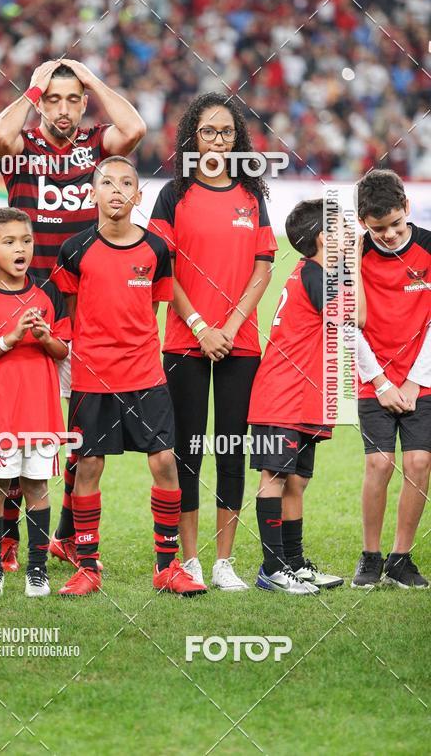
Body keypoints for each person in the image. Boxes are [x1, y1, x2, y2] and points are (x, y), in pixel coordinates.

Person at [0, 58, 146, 571]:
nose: (62, 108)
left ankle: (68, 536)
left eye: (70, 99)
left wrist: (93, 80)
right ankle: (9, 537)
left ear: (83, 104)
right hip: (29, 306)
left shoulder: (97, 146)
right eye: (52, 99)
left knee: (81, 431)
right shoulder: (25, 149)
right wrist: (33, 89)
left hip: (85, 312)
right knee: (24, 427)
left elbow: (136, 128)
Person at [50, 156, 206, 596]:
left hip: (145, 376)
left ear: (138, 196)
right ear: (92, 192)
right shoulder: (74, 250)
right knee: (88, 466)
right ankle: (88, 566)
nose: (116, 190)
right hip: (92, 378)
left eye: (126, 183)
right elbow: (74, 315)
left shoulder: (156, 249)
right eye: (106, 182)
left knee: (163, 462)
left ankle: (167, 565)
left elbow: (152, 309)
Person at [148, 93, 277, 590]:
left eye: (226, 132)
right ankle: (189, 559)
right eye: (208, 132)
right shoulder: (172, 195)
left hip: (239, 345)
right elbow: (164, 269)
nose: (217, 140)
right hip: (186, 342)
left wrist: (230, 325)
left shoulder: (251, 196)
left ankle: (224, 561)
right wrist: (202, 326)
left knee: (229, 448)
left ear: (237, 139)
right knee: (187, 452)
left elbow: (263, 268)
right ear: (191, 138)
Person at [0, 208, 71, 597]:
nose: (20, 248)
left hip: (40, 411)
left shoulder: (49, 291)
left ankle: (36, 570)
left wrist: (43, 335)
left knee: (37, 486)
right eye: (9, 242)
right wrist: (9, 338)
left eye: (25, 240)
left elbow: (62, 350)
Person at [249, 199, 351, 594]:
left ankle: (293, 563)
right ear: (326, 238)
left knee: (297, 482)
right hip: (282, 395)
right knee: (274, 476)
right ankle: (272, 570)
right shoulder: (317, 274)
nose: (352, 236)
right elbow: (351, 317)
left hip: (302, 396)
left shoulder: (314, 272)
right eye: (345, 229)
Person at [352, 169, 431, 589]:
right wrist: (381, 381)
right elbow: (350, 323)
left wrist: (415, 381)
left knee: (419, 461)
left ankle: (401, 558)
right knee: (379, 462)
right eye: (378, 228)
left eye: (396, 225)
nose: (388, 234)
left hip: (423, 376)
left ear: (408, 209)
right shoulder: (355, 254)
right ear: (363, 222)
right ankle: (370, 556)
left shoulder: (430, 247)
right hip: (373, 374)